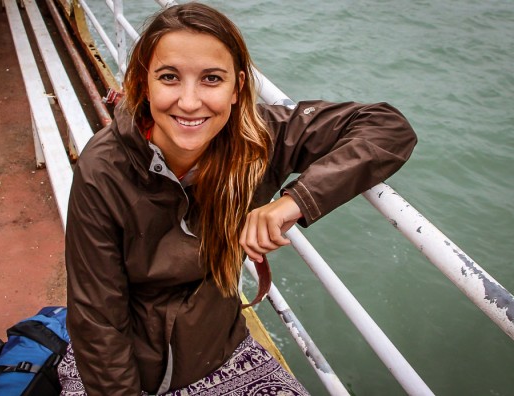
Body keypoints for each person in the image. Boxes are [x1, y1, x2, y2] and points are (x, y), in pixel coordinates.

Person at [60, 2, 417, 395]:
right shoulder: (104, 167)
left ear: (238, 87)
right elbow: (97, 319)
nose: (191, 101)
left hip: (220, 350)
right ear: (145, 85)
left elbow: (387, 128)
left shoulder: (259, 140)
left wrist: (293, 200)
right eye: (169, 77)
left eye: (212, 79)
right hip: (126, 363)